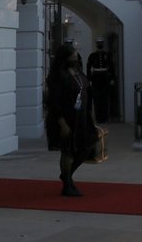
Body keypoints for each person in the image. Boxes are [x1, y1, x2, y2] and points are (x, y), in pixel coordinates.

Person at [45, 43, 97, 196]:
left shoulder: (78, 72)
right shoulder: (58, 76)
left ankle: (67, 175)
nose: (75, 57)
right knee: (67, 150)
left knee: (87, 147)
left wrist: (91, 116)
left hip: (82, 119)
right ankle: (67, 184)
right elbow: (53, 101)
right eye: (73, 55)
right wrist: (62, 123)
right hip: (66, 119)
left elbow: (87, 92)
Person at [86, 37, 115, 123]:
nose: (100, 45)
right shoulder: (92, 56)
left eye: (101, 43)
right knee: (97, 99)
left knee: (105, 99)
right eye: (98, 43)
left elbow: (112, 67)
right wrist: (89, 80)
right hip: (96, 79)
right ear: (96, 45)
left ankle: (105, 118)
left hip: (105, 78)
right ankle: (98, 118)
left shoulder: (107, 55)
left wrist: (112, 78)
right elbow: (88, 68)